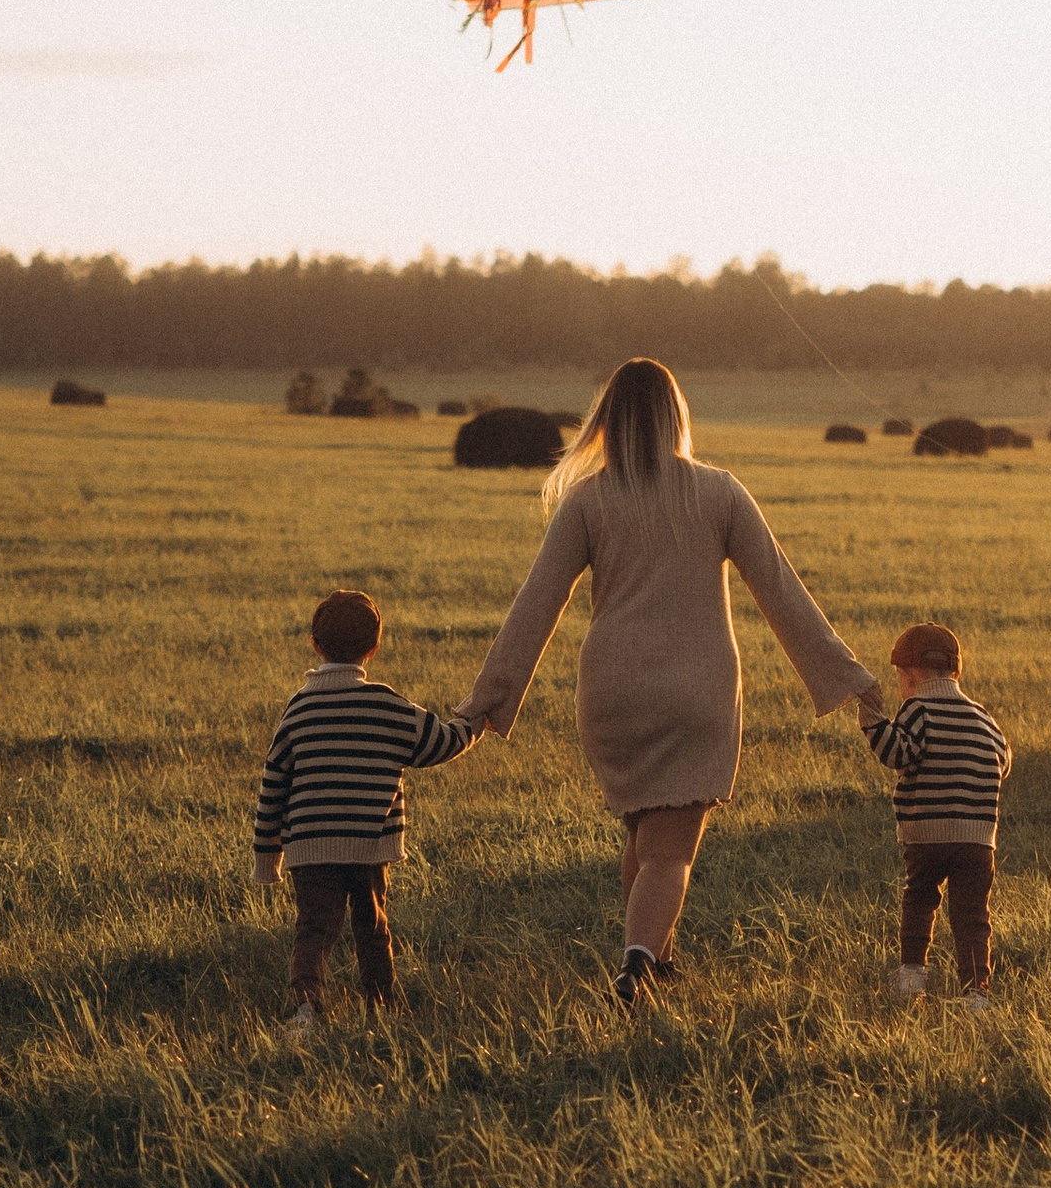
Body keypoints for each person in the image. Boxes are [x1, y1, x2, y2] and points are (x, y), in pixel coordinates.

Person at [463, 358, 876, 1005]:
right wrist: (852, 680)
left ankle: (662, 959)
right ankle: (635, 968)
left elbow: (536, 603)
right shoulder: (719, 491)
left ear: (609, 421)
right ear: (676, 416)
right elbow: (783, 594)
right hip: (697, 692)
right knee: (669, 852)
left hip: (612, 693)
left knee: (643, 834)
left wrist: (488, 696)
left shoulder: (590, 499)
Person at [253, 587, 479, 1043]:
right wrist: (476, 719)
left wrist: (266, 858)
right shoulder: (386, 704)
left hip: (310, 848)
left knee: (314, 929)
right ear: (374, 647)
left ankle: (306, 1009)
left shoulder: (299, 707)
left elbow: (273, 782)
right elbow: (441, 743)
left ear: (315, 644)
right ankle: (383, 1004)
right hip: (368, 844)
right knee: (372, 925)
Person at [858, 620, 1010, 1003]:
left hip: (927, 834)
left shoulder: (917, 709)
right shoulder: (984, 718)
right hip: (977, 841)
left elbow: (897, 753)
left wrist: (873, 721)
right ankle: (977, 991)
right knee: (972, 915)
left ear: (908, 674)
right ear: (955, 671)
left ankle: (912, 973)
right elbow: (1003, 761)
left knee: (921, 896)